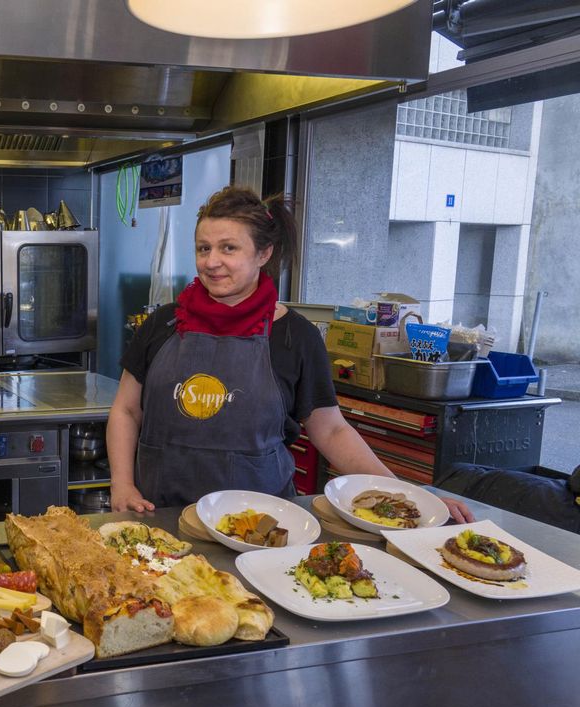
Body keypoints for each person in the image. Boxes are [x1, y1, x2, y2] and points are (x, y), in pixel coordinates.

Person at [108, 185, 473, 523]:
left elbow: (331, 430)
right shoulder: (163, 323)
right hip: (162, 516)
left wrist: (408, 493)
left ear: (263, 253)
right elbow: (126, 410)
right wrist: (122, 484)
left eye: (228, 248)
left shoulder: (296, 336)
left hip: (260, 527)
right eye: (204, 248)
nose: (211, 261)